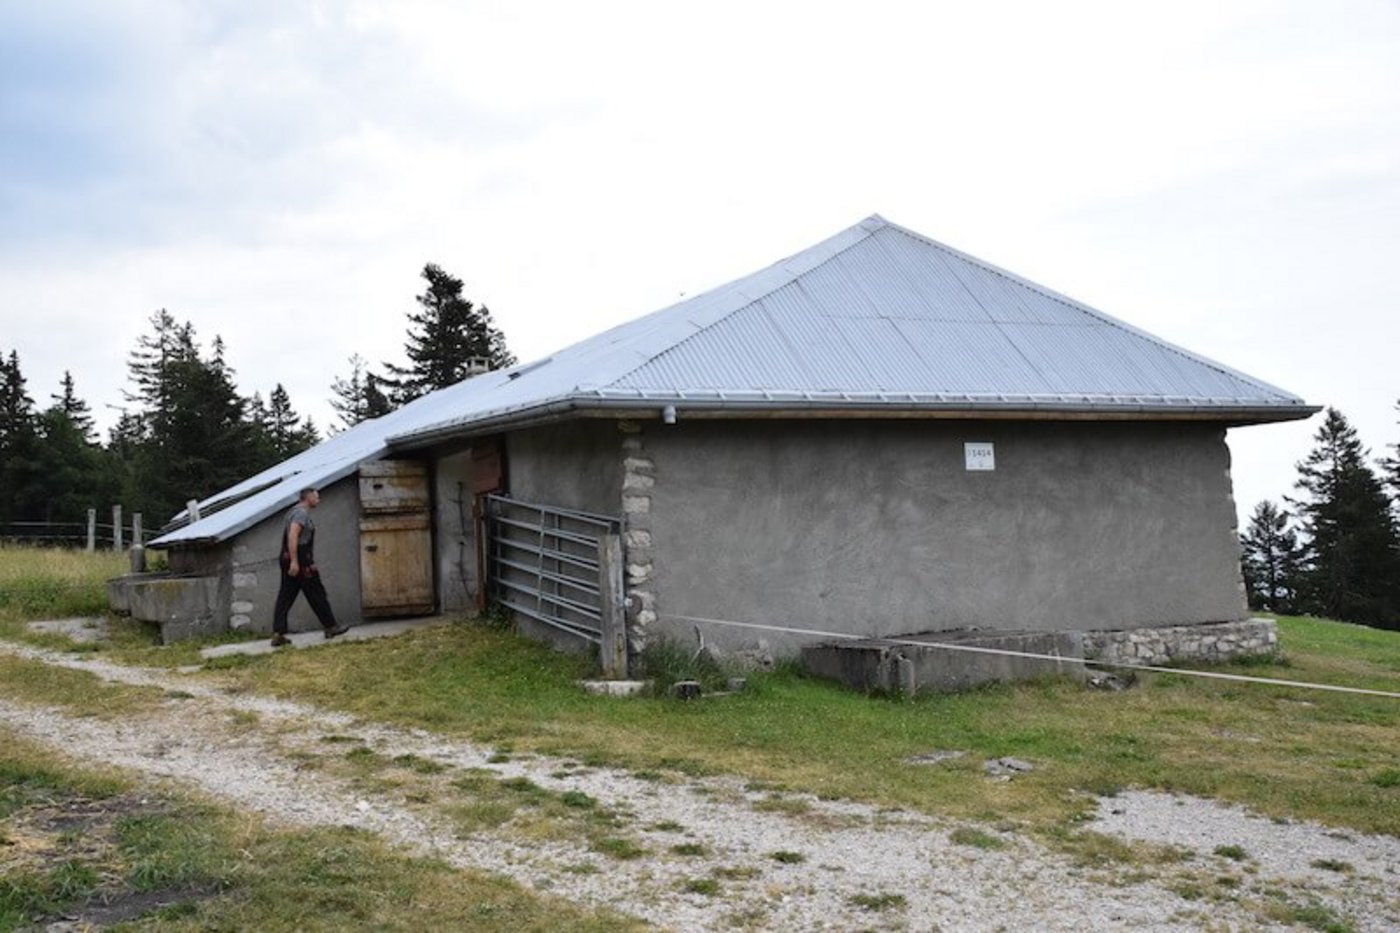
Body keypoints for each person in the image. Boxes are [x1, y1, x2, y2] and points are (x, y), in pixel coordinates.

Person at [271, 487, 350, 646]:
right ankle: (330, 627)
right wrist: (295, 561)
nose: (319, 500)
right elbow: (293, 536)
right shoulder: (300, 514)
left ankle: (278, 633)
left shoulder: (292, 511)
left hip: (290, 558)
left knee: (286, 596)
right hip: (300, 560)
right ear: (308, 498)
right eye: (317, 497)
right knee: (317, 592)